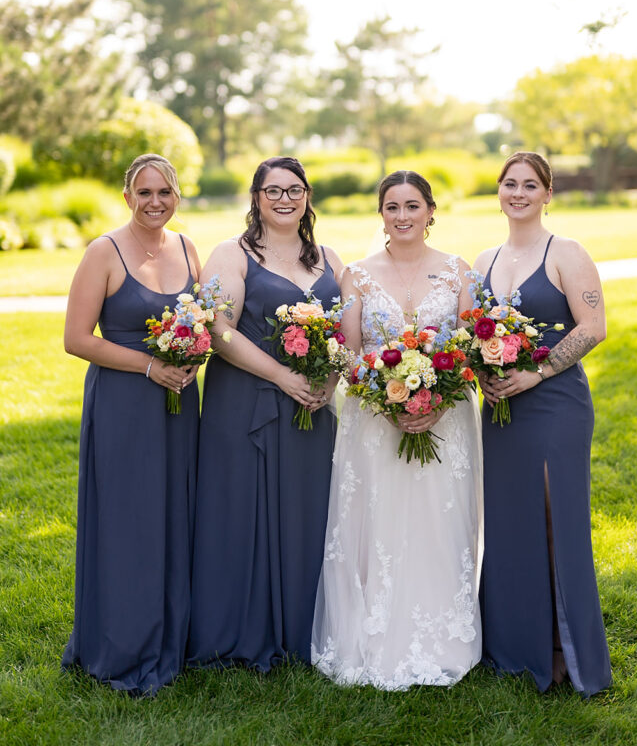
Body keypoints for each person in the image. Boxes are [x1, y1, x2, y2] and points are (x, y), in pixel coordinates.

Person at [312, 171, 483, 689]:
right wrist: (387, 401)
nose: (403, 216)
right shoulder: (358, 275)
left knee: (438, 518)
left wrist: (439, 397)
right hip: (375, 417)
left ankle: (444, 632)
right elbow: (348, 351)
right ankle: (374, 626)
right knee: (380, 518)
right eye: (392, 207)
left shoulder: (459, 272)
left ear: (431, 210)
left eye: (413, 206)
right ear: (381, 213)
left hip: (447, 417)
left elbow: (471, 347)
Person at [187, 157, 343, 672]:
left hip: (311, 406)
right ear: (255, 197)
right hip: (245, 403)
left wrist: (329, 378)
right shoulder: (231, 254)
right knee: (243, 510)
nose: (283, 199)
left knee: (307, 510)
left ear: (307, 194)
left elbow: (347, 332)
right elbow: (219, 330)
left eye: (293, 189)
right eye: (272, 190)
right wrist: (281, 376)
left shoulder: (328, 257)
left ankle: (304, 629)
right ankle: (242, 630)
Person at [62, 153, 202, 694]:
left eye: (164, 191)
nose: (155, 202)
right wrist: (149, 365)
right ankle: (121, 642)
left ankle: (173, 634)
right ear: (127, 198)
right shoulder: (104, 251)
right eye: (144, 193)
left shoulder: (189, 248)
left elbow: (206, 321)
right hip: (123, 403)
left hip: (179, 404)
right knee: (128, 521)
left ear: (177, 196)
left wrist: (193, 356)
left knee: (174, 514)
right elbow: (76, 339)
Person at [474, 151, 611, 697]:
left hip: (555, 404)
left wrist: (535, 373)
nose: (519, 193)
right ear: (499, 191)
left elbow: (594, 326)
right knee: (509, 522)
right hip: (501, 408)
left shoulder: (567, 253)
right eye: (510, 184)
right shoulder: (484, 258)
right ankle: (513, 645)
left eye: (531, 185)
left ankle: (562, 647)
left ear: (548, 194)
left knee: (557, 517)